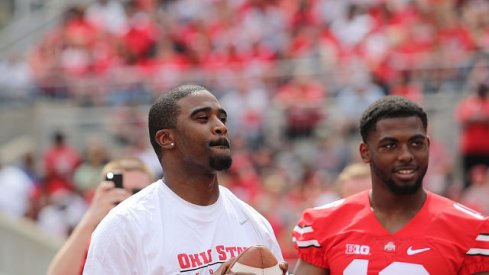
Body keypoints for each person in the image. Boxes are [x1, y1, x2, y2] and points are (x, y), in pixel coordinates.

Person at [83, 84, 286, 274]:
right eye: (202, 118)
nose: (220, 127)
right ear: (166, 138)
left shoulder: (253, 222)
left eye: (222, 119)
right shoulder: (125, 226)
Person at [292, 96, 489, 274]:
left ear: (428, 146)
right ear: (365, 152)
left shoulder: (470, 228)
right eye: (390, 146)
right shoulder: (324, 223)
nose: (406, 155)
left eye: (416, 143)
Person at [47, 157, 155, 275]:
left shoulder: (163, 232)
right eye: (119, 189)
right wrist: (90, 218)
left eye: (137, 192)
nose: (126, 197)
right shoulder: (97, 239)